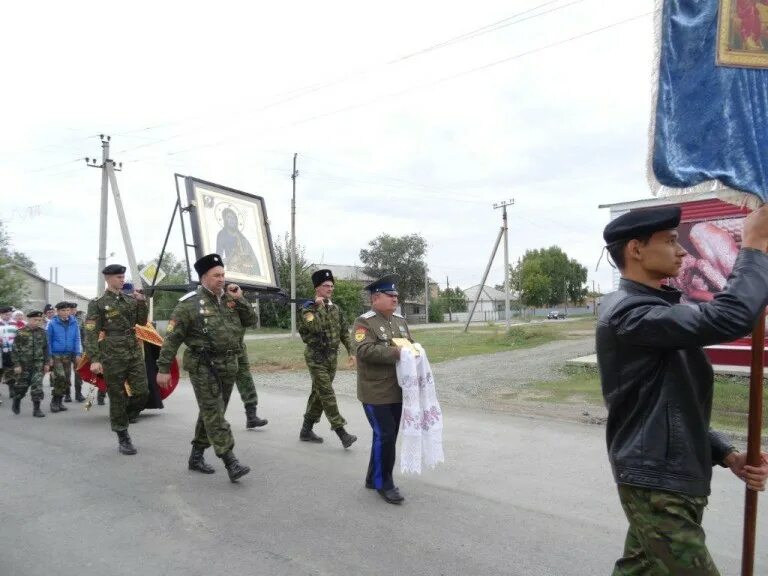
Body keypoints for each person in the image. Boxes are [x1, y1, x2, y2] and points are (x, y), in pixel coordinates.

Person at [597, 205, 768, 574]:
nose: (682, 251)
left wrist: (727, 454)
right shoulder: (631, 313)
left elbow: (670, 406)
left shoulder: (653, 309)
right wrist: (753, 246)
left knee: (639, 569)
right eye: (671, 241)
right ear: (636, 250)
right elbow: (731, 317)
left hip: (663, 478)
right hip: (657, 486)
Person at [156, 253, 254, 482]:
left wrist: (240, 299)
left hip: (229, 364)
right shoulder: (189, 305)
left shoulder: (230, 300)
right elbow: (172, 339)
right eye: (216, 275)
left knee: (212, 412)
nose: (221, 279)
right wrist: (162, 369)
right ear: (203, 278)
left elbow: (251, 321)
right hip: (203, 366)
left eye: (223, 274)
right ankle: (230, 460)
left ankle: (196, 456)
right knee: (214, 413)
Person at [353, 274, 412, 505]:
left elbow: (410, 345)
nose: (395, 299)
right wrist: (395, 353)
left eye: (397, 296)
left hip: (397, 389)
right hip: (374, 392)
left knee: (387, 436)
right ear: (375, 298)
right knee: (385, 435)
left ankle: (372, 476)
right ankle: (384, 483)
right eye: (390, 295)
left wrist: (416, 352)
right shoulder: (364, 322)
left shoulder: (400, 321)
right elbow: (363, 351)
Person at [85, 264, 149, 455]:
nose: (122, 280)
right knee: (117, 395)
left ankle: (124, 417)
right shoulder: (97, 303)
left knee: (142, 392)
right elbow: (91, 332)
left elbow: (142, 322)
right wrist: (94, 359)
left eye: (123, 276)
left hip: (133, 349)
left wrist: (141, 302)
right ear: (108, 279)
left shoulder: (129, 300)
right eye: (119, 277)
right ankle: (123, 436)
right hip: (112, 353)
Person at [298, 269, 357, 448]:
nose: (330, 289)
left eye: (332, 286)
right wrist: (319, 307)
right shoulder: (307, 308)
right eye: (326, 286)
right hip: (316, 357)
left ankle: (306, 430)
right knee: (327, 393)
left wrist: (351, 352)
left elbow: (344, 332)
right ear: (317, 288)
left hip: (331, 358)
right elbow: (315, 327)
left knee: (318, 394)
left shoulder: (335, 308)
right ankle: (341, 432)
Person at [10, 310, 49, 417]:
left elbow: (45, 349)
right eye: (35, 320)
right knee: (22, 387)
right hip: (24, 365)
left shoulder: (43, 332)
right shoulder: (21, 332)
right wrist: (17, 364)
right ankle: (17, 399)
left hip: (38, 364)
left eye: (39, 320)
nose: (37, 322)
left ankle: (37, 409)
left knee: (37, 386)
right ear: (28, 319)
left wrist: (46, 363)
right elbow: (15, 350)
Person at [47, 301, 82, 408]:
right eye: (63, 310)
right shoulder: (52, 323)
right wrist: (49, 357)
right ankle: (54, 400)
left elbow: (77, 338)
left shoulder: (74, 322)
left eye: (67, 310)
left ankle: (59, 401)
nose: (66, 312)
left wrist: (78, 353)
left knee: (66, 379)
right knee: (60, 377)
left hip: (68, 354)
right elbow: (48, 340)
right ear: (58, 311)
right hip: (56, 354)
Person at [215, 207, 261, 276]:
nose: (232, 220)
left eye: (233, 218)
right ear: (225, 220)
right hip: (233, 269)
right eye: (229, 217)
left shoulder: (242, 238)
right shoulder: (222, 234)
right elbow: (218, 256)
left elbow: (253, 258)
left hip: (247, 269)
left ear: (236, 220)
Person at [234, 337, 268, 428]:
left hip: (238, 347)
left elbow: (248, 322)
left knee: (246, 380)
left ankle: (251, 417)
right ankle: (210, 420)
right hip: (219, 350)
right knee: (218, 385)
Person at [0, 305, 20, 405]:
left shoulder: (13, 323)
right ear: (1, 314)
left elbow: (17, 336)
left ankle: (11, 389)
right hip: (1, 350)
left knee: (11, 370)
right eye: (5, 314)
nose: (8, 316)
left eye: (9, 314)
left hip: (11, 350)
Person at [70, 302, 86, 402]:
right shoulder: (64, 320)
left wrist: (85, 348)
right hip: (66, 350)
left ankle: (78, 393)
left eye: (74, 309)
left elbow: (85, 334)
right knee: (66, 374)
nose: (72, 311)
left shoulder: (80, 320)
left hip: (78, 350)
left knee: (78, 372)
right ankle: (67, 394)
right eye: (71, 309)